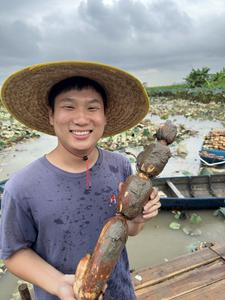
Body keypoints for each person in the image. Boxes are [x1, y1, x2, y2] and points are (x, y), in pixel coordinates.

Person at [0, 61, 161, 300]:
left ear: (105, 117)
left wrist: (138, 219)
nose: (82, 119)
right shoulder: (22, 186)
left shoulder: (121, 166)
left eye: (92, 108)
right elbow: (13, 253)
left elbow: (129, 230)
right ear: (51, 116)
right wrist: (59, 285)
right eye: (68, 107)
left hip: (120, 293)